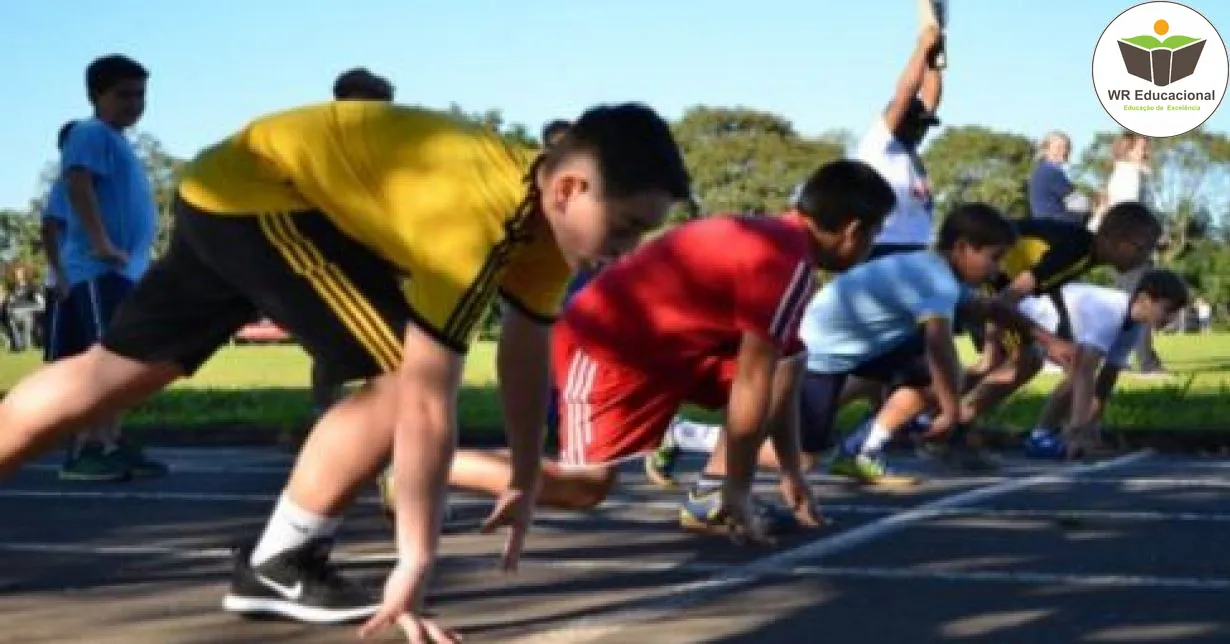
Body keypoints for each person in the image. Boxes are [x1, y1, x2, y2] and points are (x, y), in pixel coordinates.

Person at [0, 99, 690, 639]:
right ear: (570, 187)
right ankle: (283, 562)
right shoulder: (475, 218)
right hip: (265, 198)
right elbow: (425, 403)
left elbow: (525, 345)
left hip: (232, 191)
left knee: (115, 373)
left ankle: (281, 563)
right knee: (402, 374)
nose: (628, 251)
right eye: (627, 227)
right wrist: (414, 562)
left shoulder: (542, 225)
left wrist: (522, 474)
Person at [431, 160, 896, 538]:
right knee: (583, 488)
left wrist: (792, 473)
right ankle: (426, 466)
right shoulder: (784, 261)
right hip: (606, 350)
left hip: (670, 356)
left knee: (791, 359)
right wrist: (745, 485)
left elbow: (780, 375)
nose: (871, 247)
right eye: (874, 235)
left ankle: (712, 494)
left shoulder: (779, 241)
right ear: (853, 231)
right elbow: (753, 380)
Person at [650, 205, 1066, 486]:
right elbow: (941, 345)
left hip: (860, 349)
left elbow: (990, 309)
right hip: (817, 352)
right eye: (994, 258)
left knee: (923, 374)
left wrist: (1047, 340)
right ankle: (683, 435)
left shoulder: (939, 272)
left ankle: (860, 448)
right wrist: (953, 409)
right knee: (802, 459)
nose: (997, 269)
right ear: (961, 248)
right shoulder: (935, 279)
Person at [957, 201, 1163, 467]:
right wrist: (1046, 340)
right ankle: (952, 424)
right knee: (1025, 360)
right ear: (1116, 239)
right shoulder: (1076, 249)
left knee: (1005, 362)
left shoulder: (1083, 251)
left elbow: (1046, 283)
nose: (1145, 258)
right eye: (1142, 248)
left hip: (993, 276)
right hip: (983, 273)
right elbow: (1008, 297)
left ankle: (932, 414)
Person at [50, 55, 164, 482]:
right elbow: (78, 185)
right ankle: (89, 448)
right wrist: (102, 242)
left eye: (140, 94)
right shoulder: (90, 132)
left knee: (125, 361)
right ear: (96, 96)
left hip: (124, 271)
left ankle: (112, 442)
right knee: (105, 363)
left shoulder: (118, 140)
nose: (134, 103)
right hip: (100, 270)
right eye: (123, 95)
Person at [1020, 270, 1190, 458]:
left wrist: (1092, 427)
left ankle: (1046, 433)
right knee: (1071, 372)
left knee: (1073, 372)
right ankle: (1042, 435)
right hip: (1025, 315)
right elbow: (1085, 372)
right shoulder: (1112, 313)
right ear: (1144, 299)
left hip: (1051, 323)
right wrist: (1078, 431)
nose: (1171, 318)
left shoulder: (1135, 325)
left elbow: (1107, 378)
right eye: (1168, 309)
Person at [310, 67, 400, 418]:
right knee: (330, 341)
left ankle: (371, 419)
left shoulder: (387, 150)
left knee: (388, 343)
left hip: (377, 253)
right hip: (332, 253)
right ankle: (327, 414)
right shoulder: (322, 146)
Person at [856, 25, 944, 260]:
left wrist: (934, 58)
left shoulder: (908, 149)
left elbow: (931, 99)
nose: (922, 129)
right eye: (917, 124)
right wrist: (922, 48)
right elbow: (904, 96)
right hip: (884, 247)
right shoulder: (878, 144)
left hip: (916, 248)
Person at [41, 121, 77, 362]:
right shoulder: (63, 185)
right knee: (60, 355)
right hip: (65, 282)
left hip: (85, 278)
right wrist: (60, 275)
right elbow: (49, 229)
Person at [1028, 131, 1083, 223]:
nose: (1064, 151)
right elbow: (1080, 204)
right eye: (1058, 148)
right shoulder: (1052, 172)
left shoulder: (1040, 170)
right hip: (1057, 225)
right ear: (1046, 149)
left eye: (1066, 148)